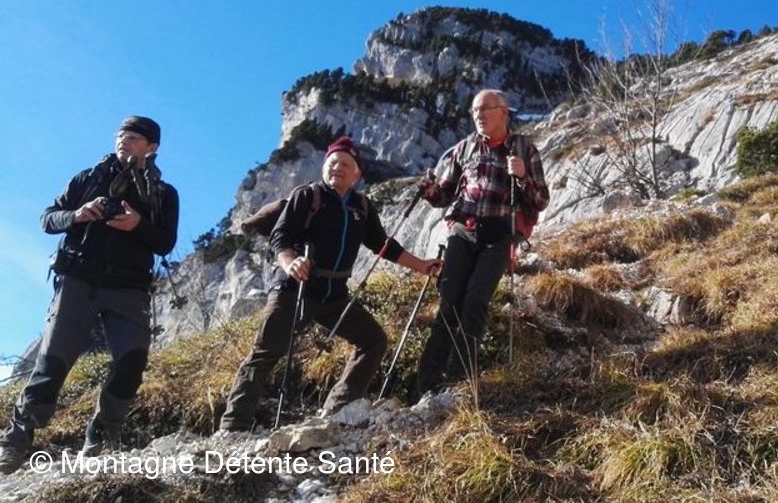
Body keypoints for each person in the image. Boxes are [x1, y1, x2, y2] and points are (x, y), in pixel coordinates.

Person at [219, 136, 440, 431]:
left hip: (335, 295)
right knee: (267, 351)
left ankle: (339, 408)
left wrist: (422, 265)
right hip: (294, 289)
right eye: (332, 162)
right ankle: (234, 425)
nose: (337, 168)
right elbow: (280, 237)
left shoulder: (362, 207)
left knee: (373, 340)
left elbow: (383, 245)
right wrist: (291, 262)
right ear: (324, 167)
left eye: (345, 164)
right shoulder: (307, 196)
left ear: (357, 174)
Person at [0, 116, 179, 473]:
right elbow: (47, 219)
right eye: (120, 135)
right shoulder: (87, 178)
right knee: (52, 362)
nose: (124, 140)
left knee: (132, 362)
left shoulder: (163, 194)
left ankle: (101, 439)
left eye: (134, 137)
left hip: (129, 288)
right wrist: (77, 216)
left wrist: (138, 225)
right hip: (78, 280)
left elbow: (165, 243)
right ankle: (15, 442)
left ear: (152, 147)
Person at [410, 89, 550, 401]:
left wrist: (523, 177)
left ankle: (460, 384)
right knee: (449, 302)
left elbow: (541, 200)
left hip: (499, 236)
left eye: (485, 109)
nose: (479, 115)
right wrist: (431, 191)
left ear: (504, 112)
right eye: (475, 111)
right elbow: (445, 195)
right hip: (462, 231)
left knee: (475, 303)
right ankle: (425, 386)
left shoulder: (525, 148)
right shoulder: (464, 147)